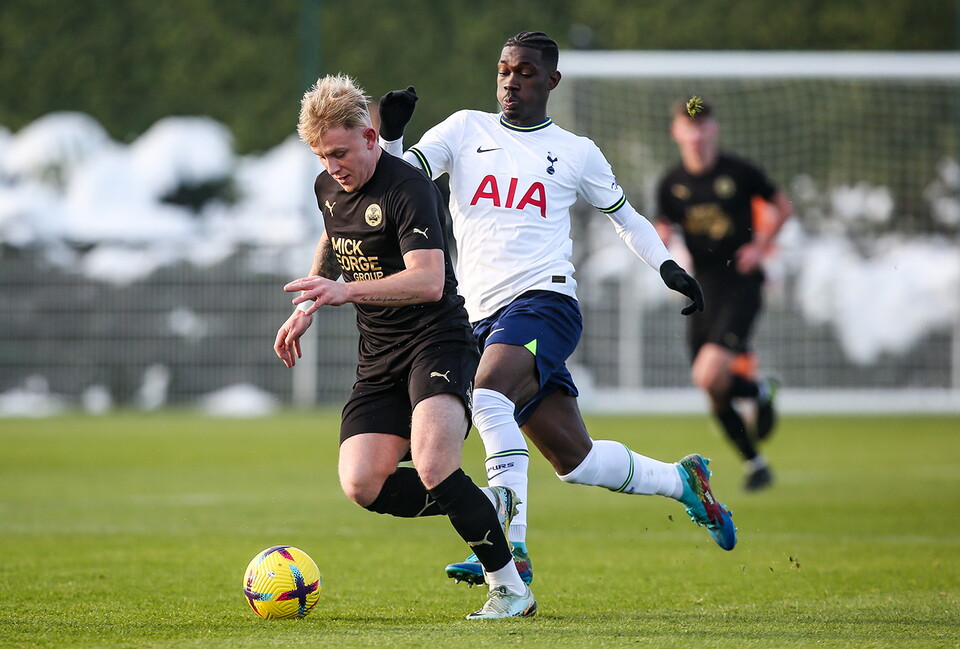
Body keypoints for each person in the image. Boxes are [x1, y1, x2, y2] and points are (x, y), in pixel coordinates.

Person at [377, 31, 737, 589]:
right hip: (480, 317)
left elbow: (627, 217)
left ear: (552, 80)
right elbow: (399, 183)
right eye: (503, 71)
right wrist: (394, 137)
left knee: (489, 393)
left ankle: (509, 547)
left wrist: (667, 266)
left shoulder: (576, 151)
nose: (510, 82)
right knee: (576, 461)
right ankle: (683, 481)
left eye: (524, 72)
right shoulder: (464, 129)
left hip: (546, 303)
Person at [273, 74, 535, 619]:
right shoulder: (328, 187)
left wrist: (344, 291)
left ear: (371, 136)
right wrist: (306, 305)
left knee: (436, 462)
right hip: (379, 356)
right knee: (361, 482)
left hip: (436, 342)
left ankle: (510, 589)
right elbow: (332, 233)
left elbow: (429, 279)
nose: (332, 167)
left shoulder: (408, 187)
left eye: (341, 153)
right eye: (322, 157)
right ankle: (487, 503)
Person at [655, 98, 793, 491]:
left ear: (713, 130)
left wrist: (761, 245)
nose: (696, 135)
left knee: (707, 373)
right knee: (712, 387)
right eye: (688, 127)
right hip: (702, 290)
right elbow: (662, 226)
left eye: (702, 127)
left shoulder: (739, 172)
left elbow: (783, 205)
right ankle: (756, 462)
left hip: (741, 284)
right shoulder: (671, 184)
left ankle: (759, 393)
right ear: (677, 133)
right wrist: (661, 239)